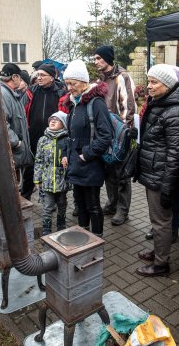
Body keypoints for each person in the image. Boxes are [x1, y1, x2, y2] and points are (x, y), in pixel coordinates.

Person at [135, 64, 179, 277]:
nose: (149, 86)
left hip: (161, 176)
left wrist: (167, 186)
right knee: (156, 220)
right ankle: (159, 252)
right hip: (154, 172)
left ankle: (161, 264)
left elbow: (176, 154)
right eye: (148, 81)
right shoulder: (160, 103)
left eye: (153, 82)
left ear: (167, 85)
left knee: (161, 222)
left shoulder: (175, 110)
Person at [63, 60, 113, 237]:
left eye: (73, 83)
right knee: (80, 205)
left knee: (93, 205)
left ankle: (97, 239)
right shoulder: (74, 103)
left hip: (90, 164)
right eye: (67, 83)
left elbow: (106, 135)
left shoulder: (95, 103)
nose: (69, 87)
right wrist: (67, 155)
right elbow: (71, 134)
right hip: (76, 164)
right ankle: (84, 238)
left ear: (84, 82)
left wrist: (87, 154)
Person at [94, 45, 136, 226]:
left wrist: (123, 135)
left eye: (98, 58)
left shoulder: (122, 77)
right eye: (94, 58)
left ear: (107, 58)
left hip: (119, 135)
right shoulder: (99, 80)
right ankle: (112, 203)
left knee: (122, 174)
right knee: (108, 171)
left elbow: (129, 107)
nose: (95, 62)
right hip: (104, 134)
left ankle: (123, 210)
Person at [21, 63, 67, 200]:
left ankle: (51, 200)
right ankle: (25, 196)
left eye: (42, 75)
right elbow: (23, 110)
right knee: (30, 167)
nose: (39, 78)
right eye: (37, 75)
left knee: (52, 168)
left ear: (52, 77)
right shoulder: (32, 90)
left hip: (53, 137)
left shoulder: (61, 92)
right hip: (33, 136)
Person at [33, 111, 70, 235]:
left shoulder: (67, 140)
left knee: (62, 205)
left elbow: (71, 159)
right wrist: (37, 179)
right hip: (47, 181)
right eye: (51, 119)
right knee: (47, 207)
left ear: (64, 124)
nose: (53, 121)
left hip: (62, 181)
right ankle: (46, 230)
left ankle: (61, 225)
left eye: (57, 120)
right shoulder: (43, 140)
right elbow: (38, 160)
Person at [0, 62, 33, 181]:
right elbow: (2, 124)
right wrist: (16, 142)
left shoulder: (10, 93)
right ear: (14, 77)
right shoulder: (3, 94)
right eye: (20, 77)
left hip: (14, 151)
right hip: (11, 151)